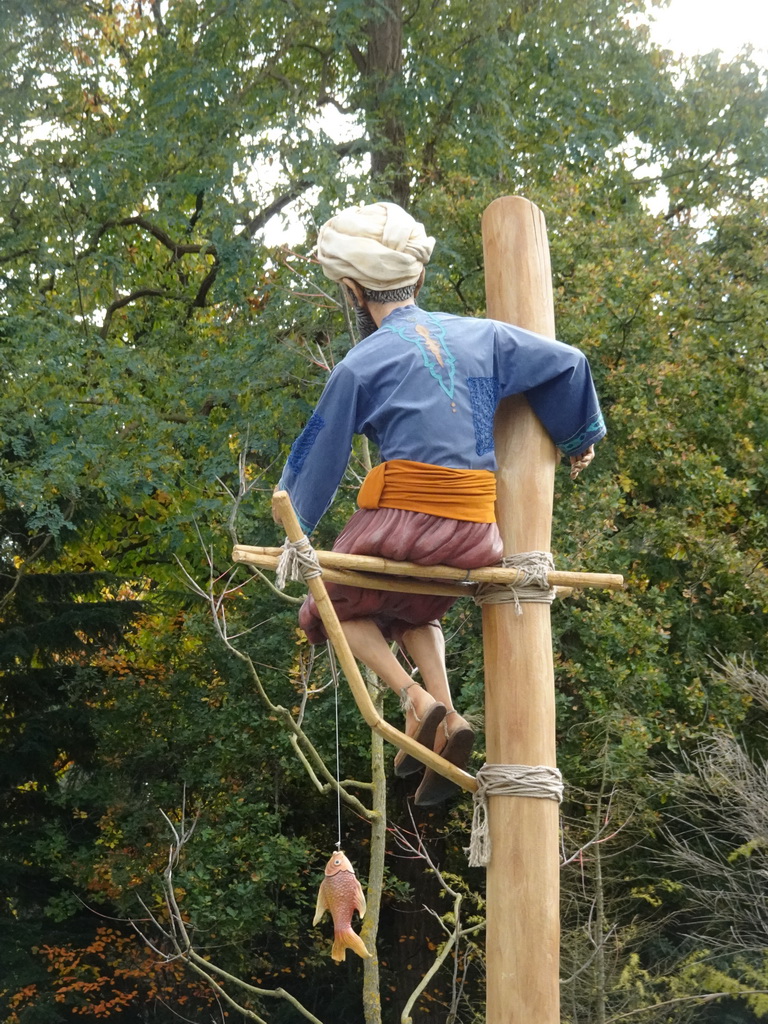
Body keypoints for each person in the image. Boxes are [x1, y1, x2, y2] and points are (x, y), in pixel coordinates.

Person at [277, 201, 605, 805]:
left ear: (353, 291)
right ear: (418, 277)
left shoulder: (360, 362)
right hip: (479, 532)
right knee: (413, 608)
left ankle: (412, 698)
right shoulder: (484, 336)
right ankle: (449, 715)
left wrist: (295, 533)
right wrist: (578, 436)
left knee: (329, 607)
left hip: (405, 521)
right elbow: (569, 362)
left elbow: (318, 450)